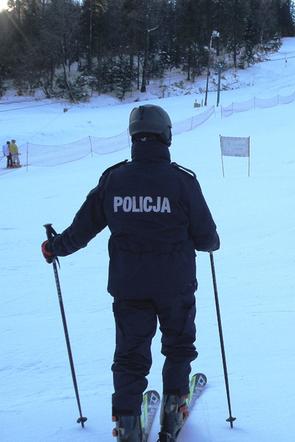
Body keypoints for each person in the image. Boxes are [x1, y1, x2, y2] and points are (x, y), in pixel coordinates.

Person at [40, 105, 220, 441]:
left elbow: (81, 230)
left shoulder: (114, 180)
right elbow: (207, 237)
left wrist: (54, 248)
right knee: (178, 346)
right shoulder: (182, 181)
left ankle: (127, 425)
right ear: (166, 134)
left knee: (130, 356)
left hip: (129, 286)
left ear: (133, 136)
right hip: (175, 285)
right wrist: (207, 242)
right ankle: (173, 410)